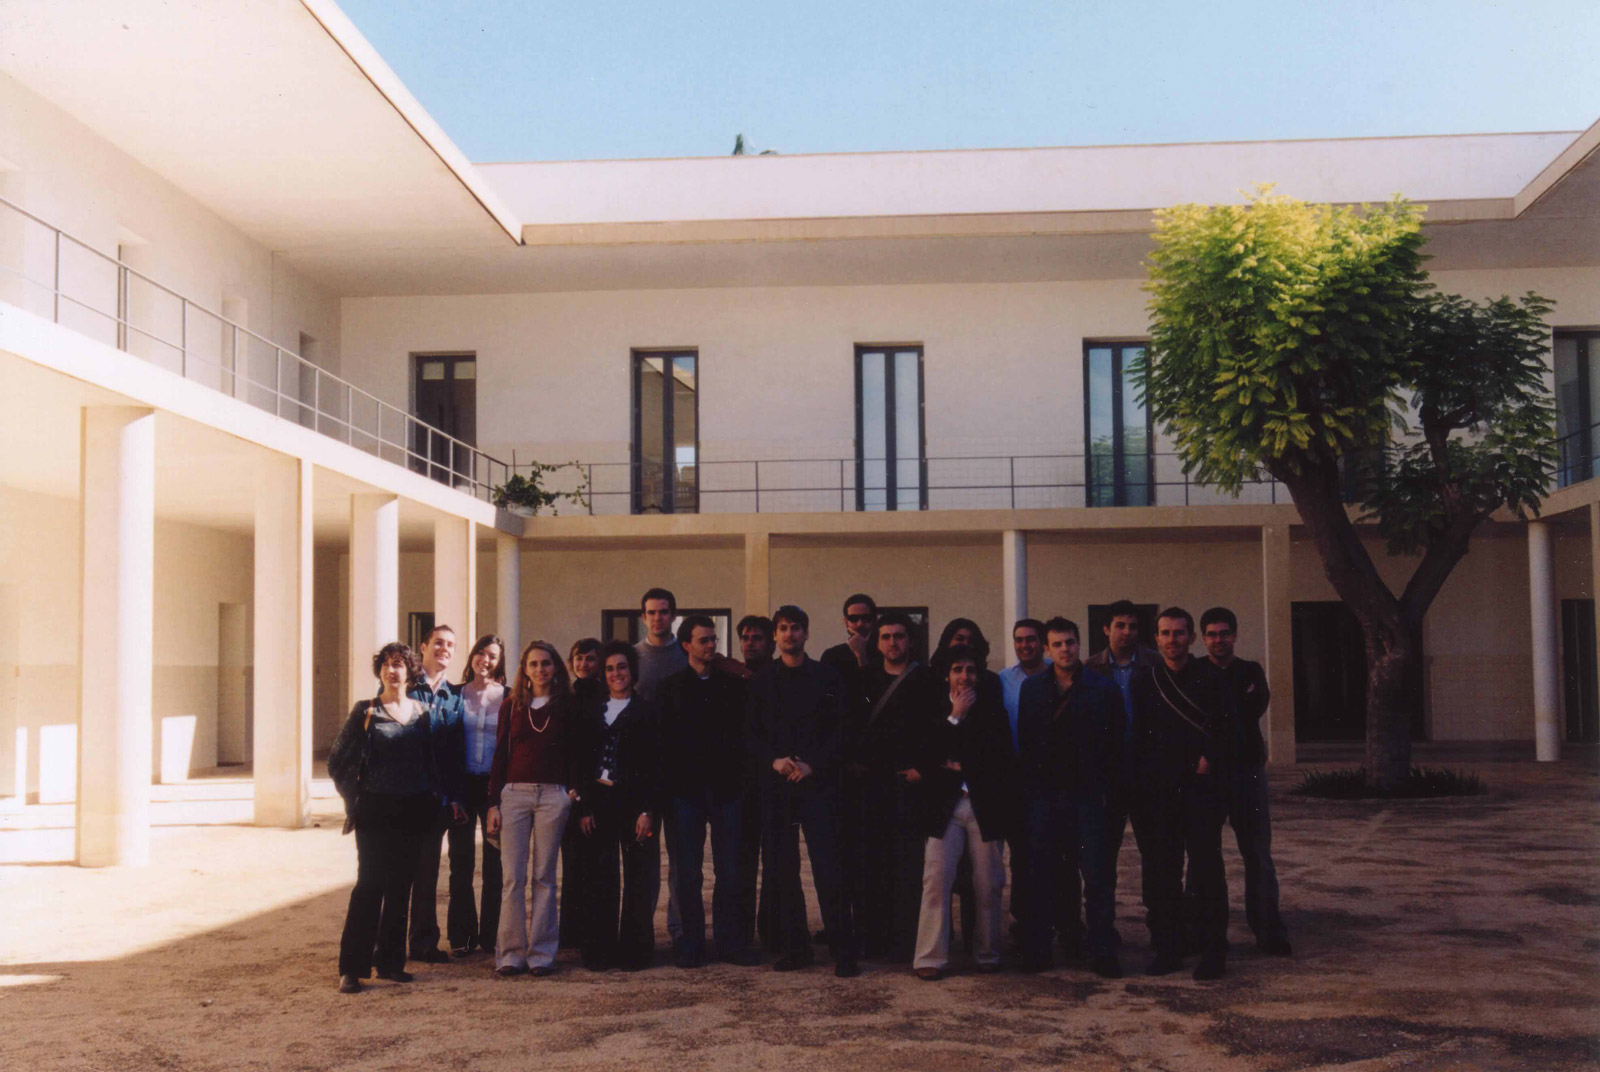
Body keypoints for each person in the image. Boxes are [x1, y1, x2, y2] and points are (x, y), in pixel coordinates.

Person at [746, 604, 859, 977]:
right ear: (775, 636)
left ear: (806, 633)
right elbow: (750, 734)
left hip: (819, 786)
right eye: (783, 628)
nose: (789, 634)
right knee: (783, 869)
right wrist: (774, 761)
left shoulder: (827, 677)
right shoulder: (762, 681)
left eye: (796, 627)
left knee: (829, 867)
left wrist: (814, 765)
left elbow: (843, 729)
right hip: (778, 787)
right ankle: (796, 948)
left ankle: (843, 950)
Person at [1130, 607, 1238, 980]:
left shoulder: (1213, 677)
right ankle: (1169, 949)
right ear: (1156, 639)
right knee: (1163, 872)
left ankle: (1213, 950)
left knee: (1207, 870)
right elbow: (1140, 735)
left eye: (1179, 633)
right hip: (1160, 790)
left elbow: (1228, 730)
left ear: (1191, 638)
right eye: (1165, 633)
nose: (1172, 640)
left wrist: (1208, 759)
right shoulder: (1144, 681)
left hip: (1201, 787)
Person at [328, 643, 442, 993]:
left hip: (412, 811)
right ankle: (352, 968)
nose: (393, 671)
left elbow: (431, 763)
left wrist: (429, 798)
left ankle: (391, 963)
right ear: (379, 671)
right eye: (387, 665)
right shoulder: (366, 711)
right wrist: (355, 799)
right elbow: (337, 761)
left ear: (410, 671)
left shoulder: (423, 713)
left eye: (399, 664)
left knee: (401, 887)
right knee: (369, 884)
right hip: (374, 811)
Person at [1015, 618, 1123, 977]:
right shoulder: (1032, 689)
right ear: (1047, 649)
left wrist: (1107, 795)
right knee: (1043, 876)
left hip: (1088, 798)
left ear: (1079, 644)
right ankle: (1040, 950)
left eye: (1070, 642)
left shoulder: (1103, 688)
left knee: (1097, 877)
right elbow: (1027, 745)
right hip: (1045, 799)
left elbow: (1116, 745)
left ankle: (1102, 952)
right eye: (1058, 644)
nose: (1065, 649)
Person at [909, 644, 1017, 980]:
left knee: (988, 883)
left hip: (983, 805)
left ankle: (987, 953)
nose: (965, 676)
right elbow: (926, 757)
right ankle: (930, 957)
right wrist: (954, 716)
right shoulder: (934, 709)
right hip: (944, 807)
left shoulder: (992, 710)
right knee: (936, 880)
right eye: (958, 670)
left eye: (970, 670)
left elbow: (1000, 760)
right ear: (947, 675)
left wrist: (961, 763)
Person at [657, 615, 759, 967]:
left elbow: (745, 738)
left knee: (729, 871)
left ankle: (729, 943)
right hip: (685, 795)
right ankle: (691, 944)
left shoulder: (733, 686)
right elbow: (663, 746)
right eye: (704, 640)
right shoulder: (669, 689)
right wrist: (670, 792)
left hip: (727, 791)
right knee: (687, 873)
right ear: (686, 645)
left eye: (713, 639)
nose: (711, 645)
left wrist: (739, 783)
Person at [486, 641, 591, 977]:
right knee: (512, 878)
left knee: (545, 877)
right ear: (524, 670)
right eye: (533, 664)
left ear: (555, 667)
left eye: (546, 663)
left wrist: (571, 793)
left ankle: (542, 954)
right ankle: (511, 953)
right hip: (514, 795)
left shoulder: (567, 706)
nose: (540, 669)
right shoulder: (511, 706)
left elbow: (576, 754)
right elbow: (500, 755)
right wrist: (493, 803)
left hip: (552, 796)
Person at [1199, 607, 1291, 957]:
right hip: (1207, 778)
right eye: (1212, 634)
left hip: (1247, 775)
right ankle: (1205, 932)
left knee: (1258, 855)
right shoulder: (1195, 671)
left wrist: (1218, 712)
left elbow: (1251, 711)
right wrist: (1233, 704)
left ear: (1235, 636)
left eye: (1224, 633)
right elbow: (1213, 716)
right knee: (1204, 857)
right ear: (1203, 638)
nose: (1218, 640)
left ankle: (1269, 931)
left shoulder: (1251, 670)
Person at [848, 610, 932, 963]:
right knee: (871, 864)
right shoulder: (864, 680)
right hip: (871, 786)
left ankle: (905, 942)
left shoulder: (927, 680)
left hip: (909, 785)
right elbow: (851, 726)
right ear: (877, 642)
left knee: (908, 866)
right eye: (886, 637)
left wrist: (923, 768)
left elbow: (936, 730)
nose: (892, 643)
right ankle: (872, 940)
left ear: (910, 641)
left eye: (899, 636)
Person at [573, 640, 662, 970]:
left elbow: (655, 765)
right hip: (598, 800)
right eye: (609, 668)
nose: (616, 673)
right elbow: (580, 761)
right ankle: (599, 951)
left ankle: (636, 952)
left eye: (621, 667)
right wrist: (583, 807)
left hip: (634, 803)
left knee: (638, 875)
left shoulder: (648, 711)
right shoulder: (591, 710)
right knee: (600, 876)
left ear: (632, 671)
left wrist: (647, 810)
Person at [1084, 600, 1159, 952]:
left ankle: (1162, 931)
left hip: (1147, 776)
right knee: (1102, 860)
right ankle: (1102, 934)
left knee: (1156, 857)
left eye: (1132, 626)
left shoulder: (1156, 664)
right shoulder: (1090, 669)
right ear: (1106, 629)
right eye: (1119, 625)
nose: (1126, 632)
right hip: (1108, 779)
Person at [408, 625, 467, 964]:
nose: (444, 649)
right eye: (438, 643)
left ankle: (423, 943)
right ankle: (385, 943)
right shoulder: (404, 688)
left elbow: (456, 753)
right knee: (394, 874)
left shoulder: (454, 697)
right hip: (404, 796)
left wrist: (456, 797)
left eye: (450, 645)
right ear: (423, 647)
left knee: (427, 873)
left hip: (437, 801)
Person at [450, 634, 507, 958]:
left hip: (494, 788)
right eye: (481, 653)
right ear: (472, 656)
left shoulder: (509, 696)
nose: (485, 660)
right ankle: (462, 936)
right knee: (460, 862)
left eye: (492, 656)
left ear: (499, 663)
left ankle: (491, 935)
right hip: (462, 786)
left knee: (495, 864)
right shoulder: (456, 694)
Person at [734, 613, 776, 950]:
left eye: (757, 637)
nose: (750, 643)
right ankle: (741, 935)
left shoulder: (780, 676)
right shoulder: (731, 678)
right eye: (746, 637)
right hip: (741, 785)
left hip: (775, 783)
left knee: (777, 862)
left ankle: (775, 933)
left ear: (771, 641)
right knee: (742, 863)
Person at [561, 636, 603, 946]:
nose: (584, 664)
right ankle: (570, 933)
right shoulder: (565, 697)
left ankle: (592, 932)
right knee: (572, 863)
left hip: (597, 792)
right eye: (579, 658)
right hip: (569, 791)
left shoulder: (606, 697)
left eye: (590, 658)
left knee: (595, 865)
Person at [1000, 619, 1050, 751]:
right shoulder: (1004, 678)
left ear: (1043, 643)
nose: (1024, 645)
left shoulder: (1057, 673)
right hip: (1016, 758)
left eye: (1030, 639)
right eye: (1019, 640)